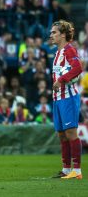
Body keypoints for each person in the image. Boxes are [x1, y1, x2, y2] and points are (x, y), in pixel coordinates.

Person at [50, 20, 83, 179]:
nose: (51, 35)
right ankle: (65, 169)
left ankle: (77, 171)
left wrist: (62, 80)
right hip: (57, 98)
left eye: (54, 32)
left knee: (71, 133)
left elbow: (78, 68)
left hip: (68, 97)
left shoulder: (69, 50)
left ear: (63, 34)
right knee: (62, 134)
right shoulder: (57, 52)